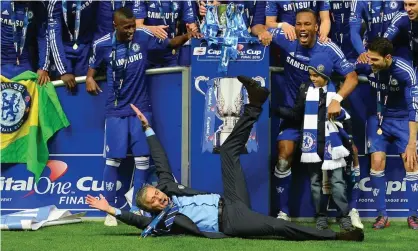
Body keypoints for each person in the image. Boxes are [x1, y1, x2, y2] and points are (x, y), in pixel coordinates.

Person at [86, 76, 364, 241]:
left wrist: (147, 128)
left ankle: (255, 102)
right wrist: (110, 210)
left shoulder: (169, 189)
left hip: (229, 200)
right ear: (152, 210)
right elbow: (138, 222)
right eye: (155, 202)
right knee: (278, 227)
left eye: (157, 194)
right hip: (230, 223)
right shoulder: (164, 220)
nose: (160, 198)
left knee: (228, 152)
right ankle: (338, 236)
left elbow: (160, 161)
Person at [85, 7, 201, 227]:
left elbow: (169, 44)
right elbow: (92, 68)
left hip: (141, 109)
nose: (131, 30)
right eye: (126, 27)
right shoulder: (102, 44)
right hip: (116, 110)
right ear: (115, 25)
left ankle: (138, 208)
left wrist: (187, 35)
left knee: (142, 161)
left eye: (132, 26)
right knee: (113, 160)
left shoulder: (144, 37)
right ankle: (109, 209)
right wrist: (90, 78)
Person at [265, 9, 359, 221]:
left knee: (341, 160)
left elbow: (352, 77)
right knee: (283, 156)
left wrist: (337, 100)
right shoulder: (288, 39)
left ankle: (347, 210)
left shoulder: (329, 49)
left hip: (321, 120)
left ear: (317, 27)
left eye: (307, 24)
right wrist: (270, 29)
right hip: (294, 116)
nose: (302, 29)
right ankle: (284, 212)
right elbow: (258, 28)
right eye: (299, 24)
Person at [275, 54, 354, 231]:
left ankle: (344, 215)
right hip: (311, 144)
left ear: (325, 75)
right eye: (310, 75)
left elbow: (346, 118)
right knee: (315, 183)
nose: (312, 79)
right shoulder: (305, 89)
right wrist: (275, 109)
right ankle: (320, 216)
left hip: (332, 145)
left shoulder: (337, 93)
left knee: (338, 184)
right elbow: (296, 114)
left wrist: (347, 139)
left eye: (316, 76)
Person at [355, 37, 418, 230]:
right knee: (376, 161)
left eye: (375, 60)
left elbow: (414, 109)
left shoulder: (406, 72)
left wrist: (411, 143)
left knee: (412, 162)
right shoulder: (367, 64)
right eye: (369, 58)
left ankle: (413, 215)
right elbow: (347, 70)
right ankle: (382, 215)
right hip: (378, 118)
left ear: (388, 57)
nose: (370, 63)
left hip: (402, 119)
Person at [48, 0, 98, 91]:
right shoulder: (55, 2)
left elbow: (101, 24)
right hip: (64, 51)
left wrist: (95, 59)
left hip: (87, 48)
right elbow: (53, 34)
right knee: (66, 88)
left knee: (86, 89)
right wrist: (63, 70)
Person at [134, 0, 198, 67]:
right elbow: (137, 25)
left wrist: (191, 31)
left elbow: (191, 26)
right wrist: (151, 29)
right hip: (148, 51)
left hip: (171, 50)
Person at [1, 1, 50, 84]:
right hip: (2, 59)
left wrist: (43, 67)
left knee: (36, 89)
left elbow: (42, 37)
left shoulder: (38, 6)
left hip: (23, 61)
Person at [264, 1, 331, 42]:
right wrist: (282, 25)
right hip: (289, 38)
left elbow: (325, 19)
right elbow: (269, 23)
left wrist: (323, 36)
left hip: (313, 37)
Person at [384, 0, 418, 68]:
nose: (407, 9)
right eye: (405, 4)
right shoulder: (402, 17)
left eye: (412, 5)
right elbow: (384, 42)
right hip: (412, 55)